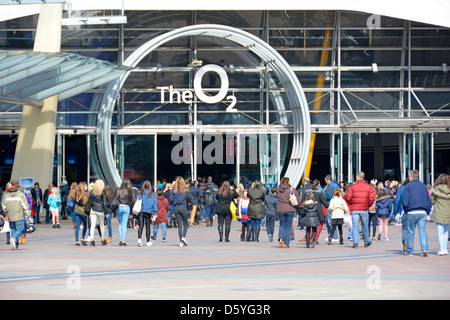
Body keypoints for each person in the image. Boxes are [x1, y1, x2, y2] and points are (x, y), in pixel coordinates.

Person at [343, 172, 376, 249]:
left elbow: (348, 197)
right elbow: (372, 198)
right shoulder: (369, 187)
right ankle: (366, 241)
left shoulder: (352, 187)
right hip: (364, 209)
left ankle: (355, 243)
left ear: (357, 177)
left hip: (355, 209)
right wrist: (367, 205)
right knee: (365, 226)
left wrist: (352, 203)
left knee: (355, 226)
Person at [403, 169, 432, 257]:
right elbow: (428, 200)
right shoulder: (424, 186)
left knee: (411, 232)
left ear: (411, 177)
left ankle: (410, 251)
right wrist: (428, 210)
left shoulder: (408, 186)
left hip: (412, 211)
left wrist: (406, 210)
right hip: (422, 211)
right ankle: (425, 249)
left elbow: (405, 201)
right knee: (422, 230)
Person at [1, 180, 30, 250]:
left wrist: (2, 216)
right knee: (19, 229)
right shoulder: (21, 195)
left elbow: (3, 207)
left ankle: (15, 246)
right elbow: (24, 206)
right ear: (17, 186)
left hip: (10, 216)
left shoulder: (7, 195)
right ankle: (14, 240)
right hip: (19, 215)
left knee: (13, 230)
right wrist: (28, 214)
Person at [300, 179, 328, 244]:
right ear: (318, 185)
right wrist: (329, 207)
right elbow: (324, 201)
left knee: (309, 224)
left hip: (308, 209)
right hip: (317, 209)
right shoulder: (319, 192)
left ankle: (309, 238)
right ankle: (315, 237)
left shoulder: (306, 191)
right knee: (319, 223)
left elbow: (302, 200)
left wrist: (302, 208)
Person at [276, 177, 301, 248]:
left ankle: (281, 238)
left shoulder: (278, 189)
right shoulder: (291, 189)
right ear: (288, 182)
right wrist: (299, 205)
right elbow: (298, 198)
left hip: (280, 209)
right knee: (289, 226)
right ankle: (287, 243)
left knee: (282, 225)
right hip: (290, 209)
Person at [431, 174, 450, 256]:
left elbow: (432, 201)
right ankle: (445, 249)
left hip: (439, 212)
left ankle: (441, 249)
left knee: (440, 231)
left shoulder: (436, 189)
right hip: (448, 212)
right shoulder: (449, 189)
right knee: (446, 231)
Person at [168, 176, 189, 247]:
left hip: (176, 207)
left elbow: (170, 199)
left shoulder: (174, 190)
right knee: (185, 223)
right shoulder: (185, 189)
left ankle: (181, 241)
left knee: (179, 225)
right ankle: (183, 237)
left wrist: (175, 201)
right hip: (183, 207)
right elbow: (190, 198)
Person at [88, 179, 108, 246]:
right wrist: (106, 212)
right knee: (102, 225)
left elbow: (90, 201)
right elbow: (104, 203)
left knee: (92, 226)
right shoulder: (103, 192)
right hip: (100, 210)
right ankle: (103, 239)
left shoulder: (92, 192)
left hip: (93, 210)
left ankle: (92, 240)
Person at [137, 180, 157, 247]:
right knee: (148, 227)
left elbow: (138, 201)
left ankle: (139, 239)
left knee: (141, 225)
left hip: (141, 211)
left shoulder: (141, 193)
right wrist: (155, 212)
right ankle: (148, 241)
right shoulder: (152, 194)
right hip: (148, 211)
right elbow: (155, 204)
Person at [116, 178, 134, 246]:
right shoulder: (129, 191)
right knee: (124, 225)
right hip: (126, 207)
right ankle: (123, 240)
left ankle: (120, 239)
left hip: (119, 207)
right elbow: (132, 201)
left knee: (120, 224)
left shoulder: (119, 190)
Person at [323, 175, 339, 241]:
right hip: (334, 204)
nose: (326, 182)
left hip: (330, 205)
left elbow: (329, 196)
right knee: (331, 221)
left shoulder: (331, 186)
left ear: (328, 180)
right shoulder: (335, 185)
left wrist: (323, 196)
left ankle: (333, 236)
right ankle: (331, 235)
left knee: (330, 221)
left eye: (326, 181)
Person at [73, 182, 89, 246]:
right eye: (86, 186)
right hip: (83, 213)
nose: (87, 187)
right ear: (83, 187)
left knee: (77, 226)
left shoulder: (76, 194)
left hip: (76, 211)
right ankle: (82, 238)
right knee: (85, 225)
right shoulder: (86, 195)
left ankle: (76, 241)